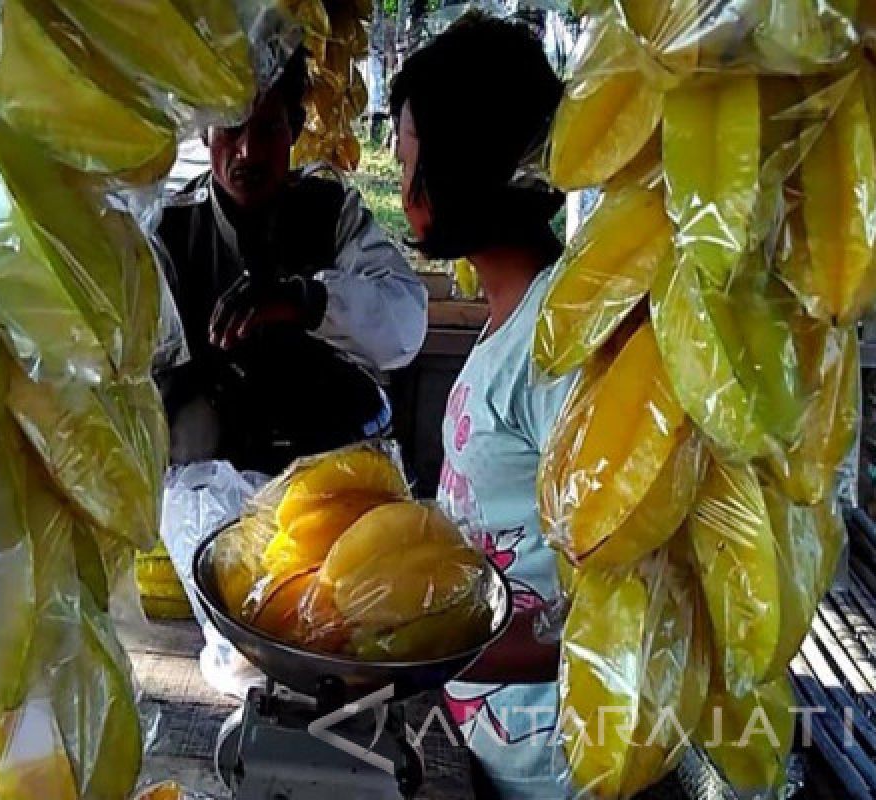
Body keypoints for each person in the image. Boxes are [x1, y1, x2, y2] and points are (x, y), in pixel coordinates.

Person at [390, 13, 572, 799]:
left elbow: (610, 608)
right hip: (487, 737)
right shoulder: (512, 310)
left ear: (457, 166)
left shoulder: (559, 344)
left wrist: (414, 652)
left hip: (552, 763)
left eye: (406, 159)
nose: (399, 185)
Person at [157, 48, 427, 476]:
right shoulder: (169, 232)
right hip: (211, 494)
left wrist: (306, 300)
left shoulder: (332, 212)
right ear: (205, 132)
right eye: (231, 128)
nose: (248, 151)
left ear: (295, 129)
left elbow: (405, 323)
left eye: (267, 129)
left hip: (329, 477)